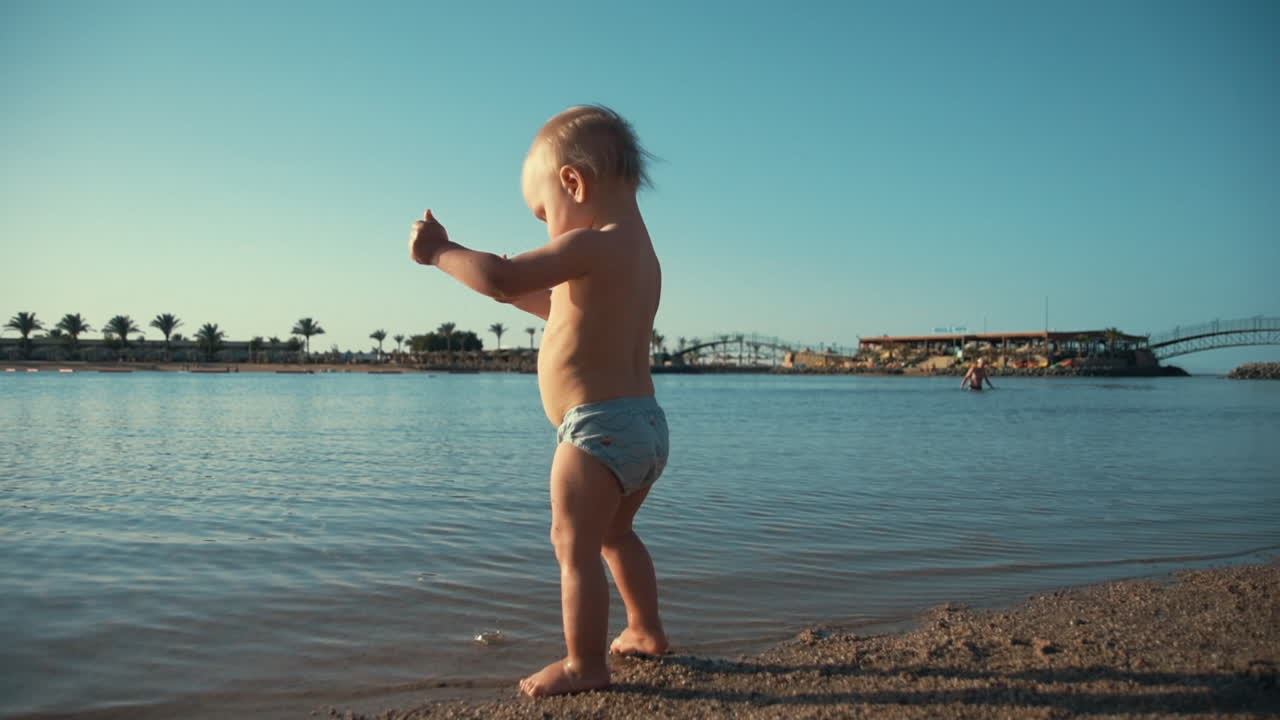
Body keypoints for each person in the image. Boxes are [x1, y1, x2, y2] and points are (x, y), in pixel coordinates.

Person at [408, 106, 669, 697]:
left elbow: (501, 276)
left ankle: (584, 665)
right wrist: (514, 293)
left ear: (574, 183)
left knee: (571, 545)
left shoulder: (591, 243)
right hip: (645, 427)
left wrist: (441, 252)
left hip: (595, 430)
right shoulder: (639, 254)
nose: (549, 226)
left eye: (544, 212)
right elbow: (561, 311)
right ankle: (646, 629)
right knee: (615, 536)